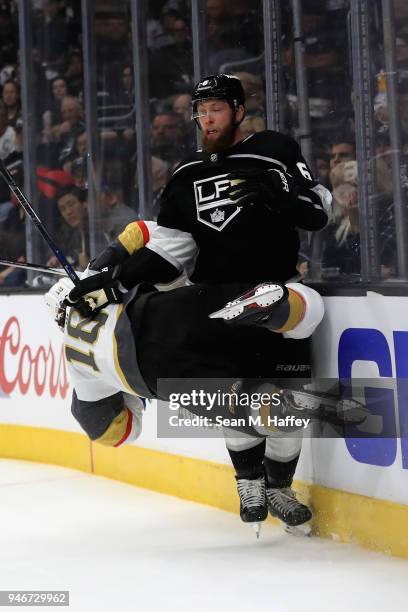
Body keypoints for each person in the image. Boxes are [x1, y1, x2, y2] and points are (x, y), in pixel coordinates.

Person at [66, 74, 332, 533]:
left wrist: (284, 197)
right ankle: (248, 480)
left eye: (216, 109)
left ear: (238, 110)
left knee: (288, 405)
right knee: (236, 398)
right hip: (215, 305)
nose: (207, 118)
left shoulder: (274, 148)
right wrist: (115, 282)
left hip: (276, 296)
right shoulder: (187, 173)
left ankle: (280, 488)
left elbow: (319, 211)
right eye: (201, 110)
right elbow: (171, 251)